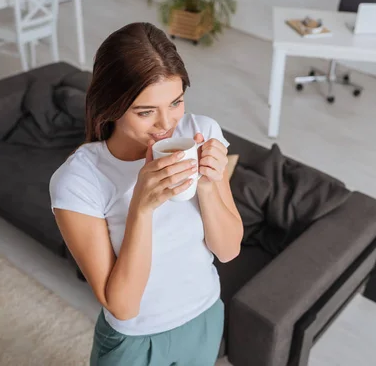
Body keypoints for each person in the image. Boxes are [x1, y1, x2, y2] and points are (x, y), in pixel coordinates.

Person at [49, 22, 243, 366]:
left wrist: (209, 184)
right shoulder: (79, 180)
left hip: (205, 316)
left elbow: (228, 251)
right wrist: (141, 206)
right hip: (134, 342)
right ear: (112, 105)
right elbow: (122, 306)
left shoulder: (202, 131)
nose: (166, 124)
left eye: (176, 102)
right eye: (145, 111)